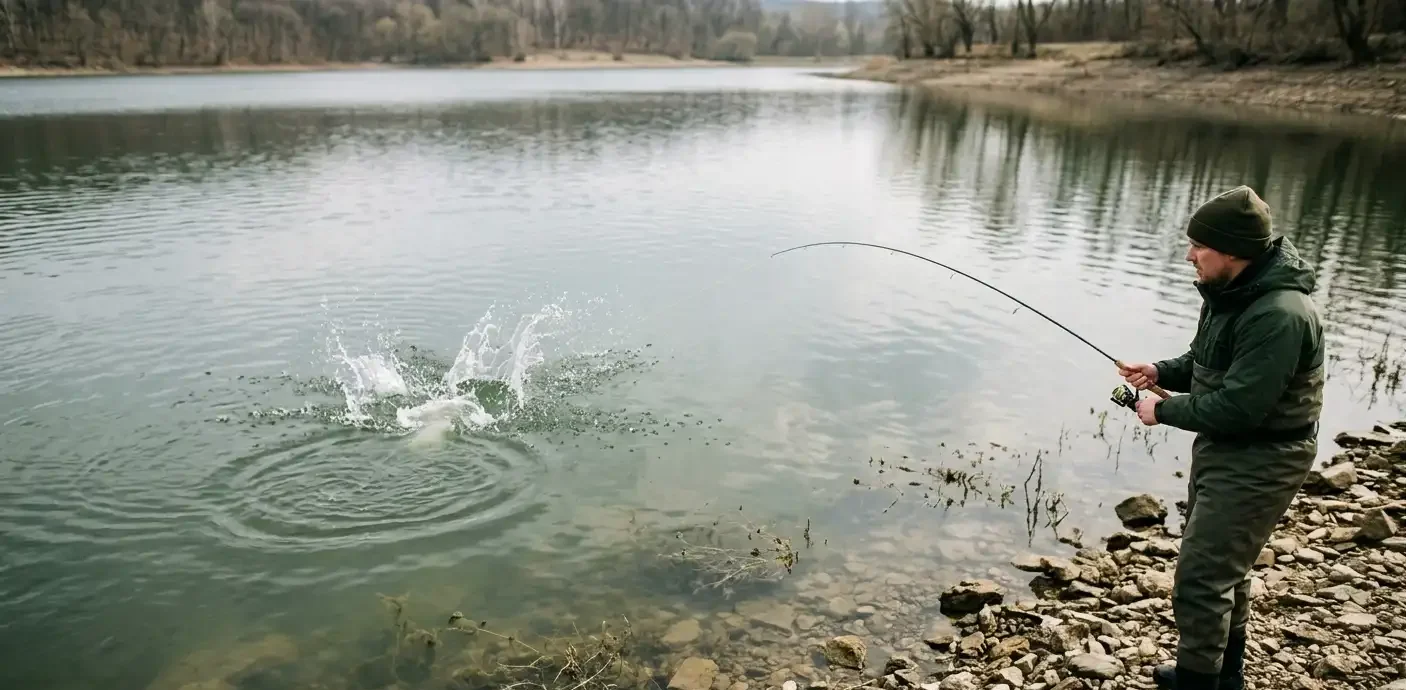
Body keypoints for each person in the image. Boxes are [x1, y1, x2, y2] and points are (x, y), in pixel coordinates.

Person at [1118, 185, 1325, 690]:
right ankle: (1225, 675)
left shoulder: (1279, 314)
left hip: (1263, 457)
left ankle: (1198, 681)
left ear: (1232, 250)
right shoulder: (1231, 292)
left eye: (1198, 247)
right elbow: (1208, 365)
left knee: (1203, 577)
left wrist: (1160, 411)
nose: (1189, 255)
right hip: (1227, 449)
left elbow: (1238, 408)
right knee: (1228, 567)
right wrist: (1159, 371)